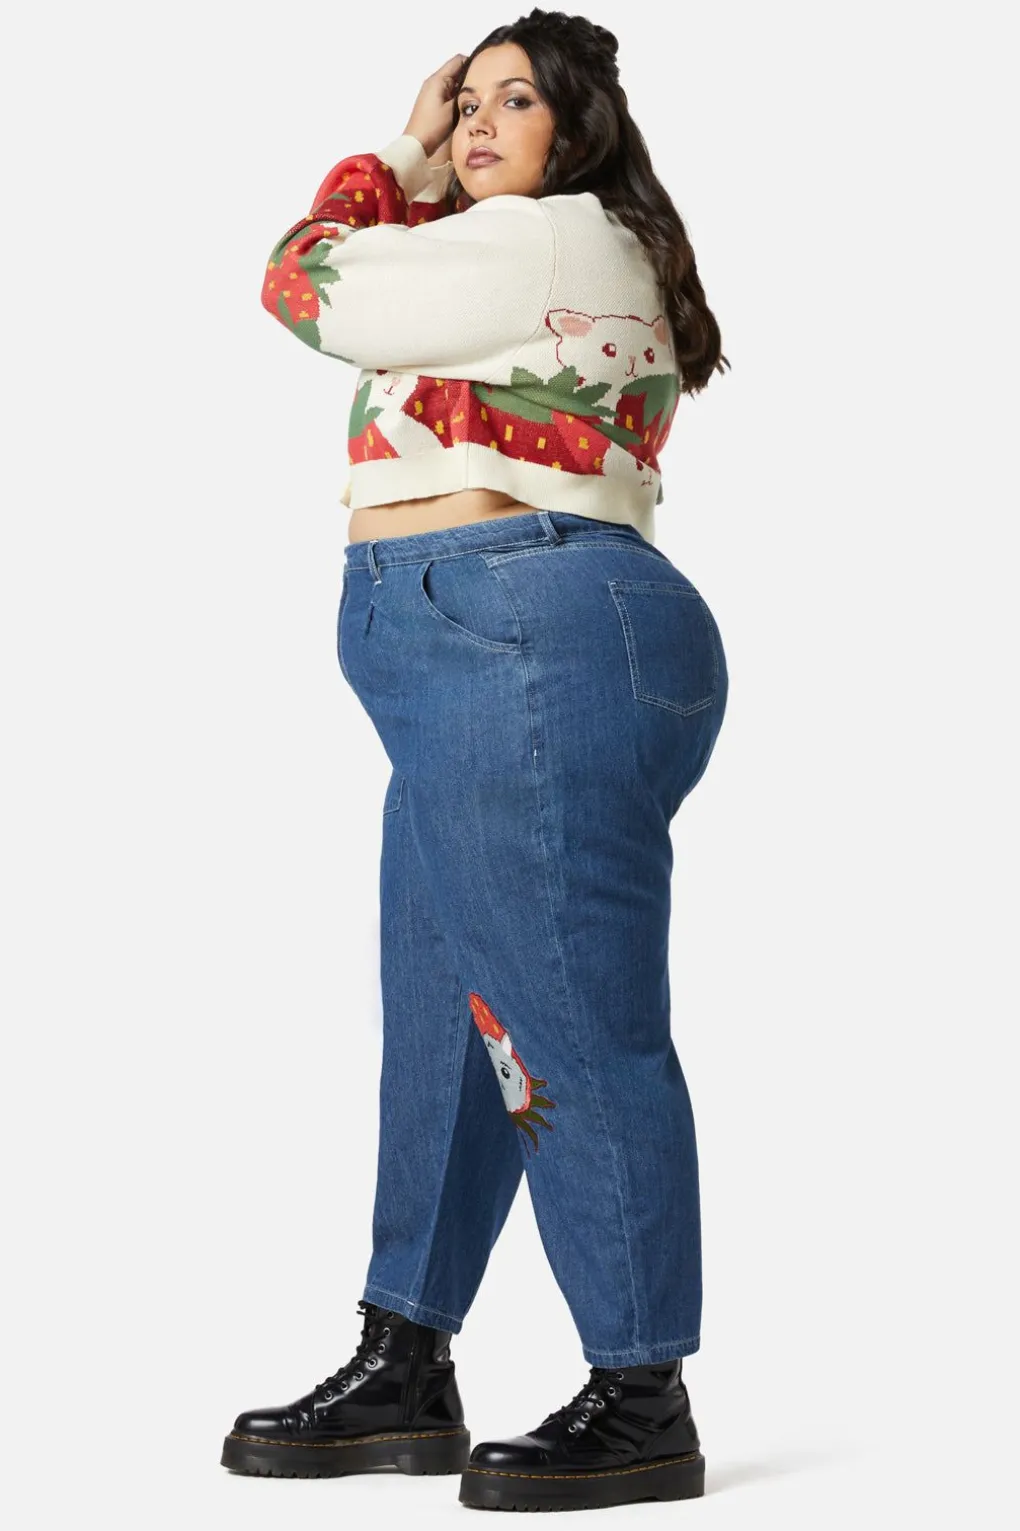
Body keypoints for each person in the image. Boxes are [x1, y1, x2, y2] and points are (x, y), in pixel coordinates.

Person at [221, 8, 729, 1512]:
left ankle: (642, 1390)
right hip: (481, 643)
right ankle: (406, 1356)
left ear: (578, 135)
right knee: (451, 1012)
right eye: (466, 104)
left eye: (515, 101)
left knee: (567, 1010)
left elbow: (303, 282)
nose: (476, 125)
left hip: (530, 630)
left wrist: (398, 146)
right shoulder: (494, 260)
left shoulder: (550, 236)